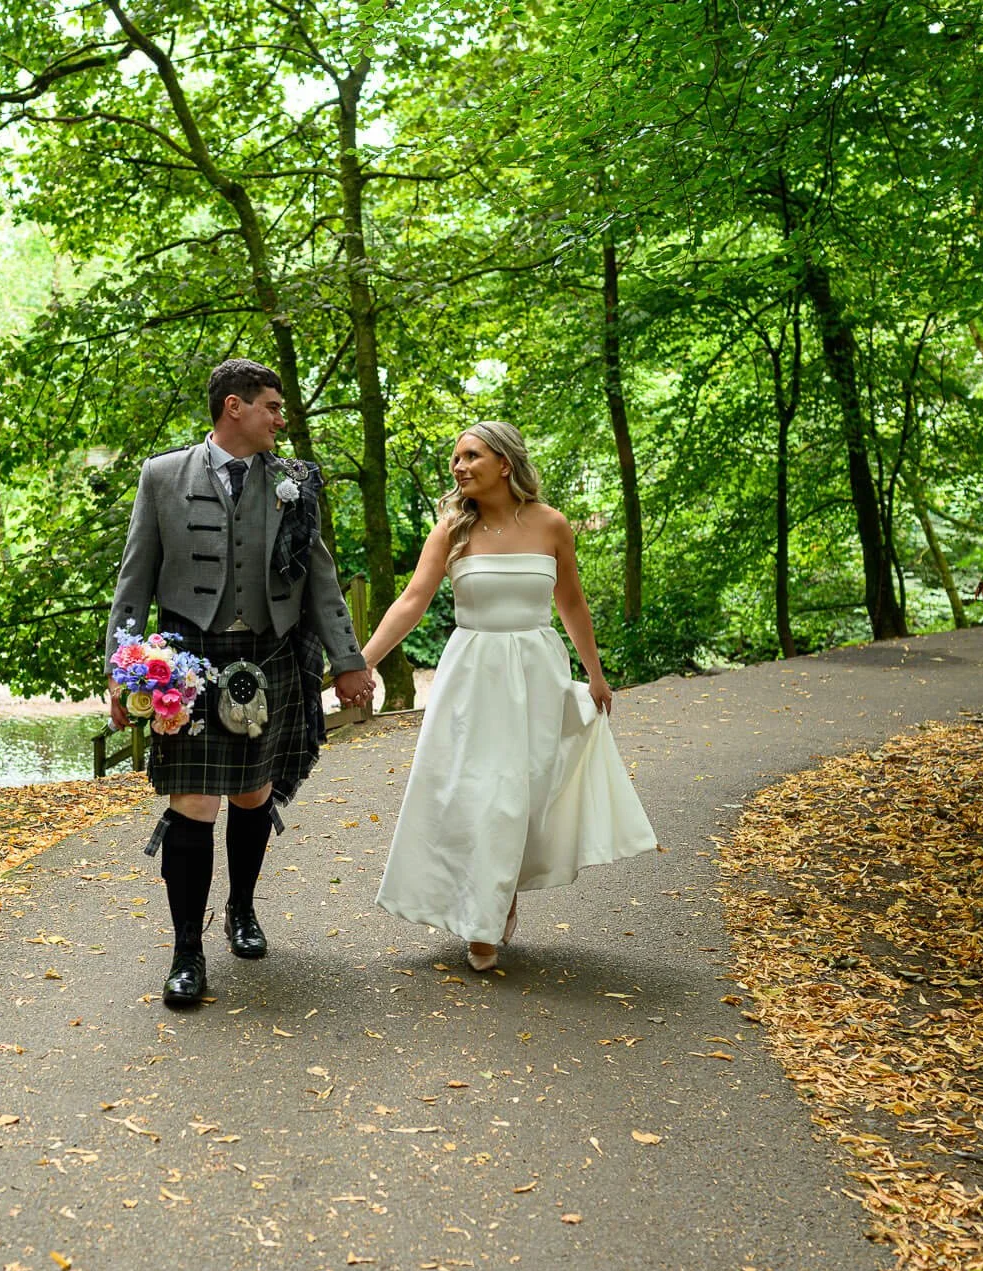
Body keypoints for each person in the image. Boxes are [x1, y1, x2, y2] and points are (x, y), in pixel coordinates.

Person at [107, 359, 377, 1007]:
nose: (282, 419)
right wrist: (121, 673)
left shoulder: (296, 483)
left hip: (270, 656)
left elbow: (321, 581)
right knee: (193, 802)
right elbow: (132, 583)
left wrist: (348, 661)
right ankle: (185, 951)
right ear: (235, 407)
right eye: (272, 407)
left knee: (254, 794)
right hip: (187, 661)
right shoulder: (162, 476)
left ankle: (242, 908)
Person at [360, 421, 657, 971]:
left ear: (504, 462)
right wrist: (364, 661)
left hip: (538, 673)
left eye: (471, 455)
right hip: (473, 676)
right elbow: (412, 601)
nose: (459, 467)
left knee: (523, 794)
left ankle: (499, 893)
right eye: (455, 459)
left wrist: (595, 673)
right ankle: (483, 921)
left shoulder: (552, 525)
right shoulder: (452, 529)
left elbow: (572, 602)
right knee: (482, 792)